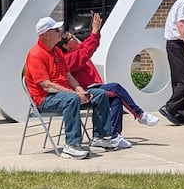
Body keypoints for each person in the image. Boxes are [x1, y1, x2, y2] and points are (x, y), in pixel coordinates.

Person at [58, 12, 160, 149]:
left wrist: (96, 30)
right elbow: (86, 52)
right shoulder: (67, 59)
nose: (75, 38)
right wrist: (94, 31)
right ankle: (140, 114)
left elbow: (90, 45)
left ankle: (114, 136)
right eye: (72, 37)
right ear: (65, 46)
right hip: (85, 92)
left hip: (95, 88)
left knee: (116, 99)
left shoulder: (76, 50)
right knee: (115, 87)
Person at [23, 16, 116, 159]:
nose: (60, 31)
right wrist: (74, 94)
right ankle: (71, 146)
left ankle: (100, 138)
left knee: (100, 94)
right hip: (44, 99)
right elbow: (46, 85)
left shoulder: (57, 51)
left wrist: (81, 91)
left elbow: (68, 76)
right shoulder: (35, 55)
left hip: (64, 94)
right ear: (46, 35)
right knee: (71, 99)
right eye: (56, 30)